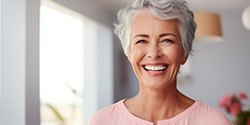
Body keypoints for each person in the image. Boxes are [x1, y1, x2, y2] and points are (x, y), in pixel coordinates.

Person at [89, 0, 232, 125]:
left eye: (167, 40)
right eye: (142, 41)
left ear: (185, 53)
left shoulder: (215, 122)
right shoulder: (101, 121)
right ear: (129, 53)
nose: (153, 53)